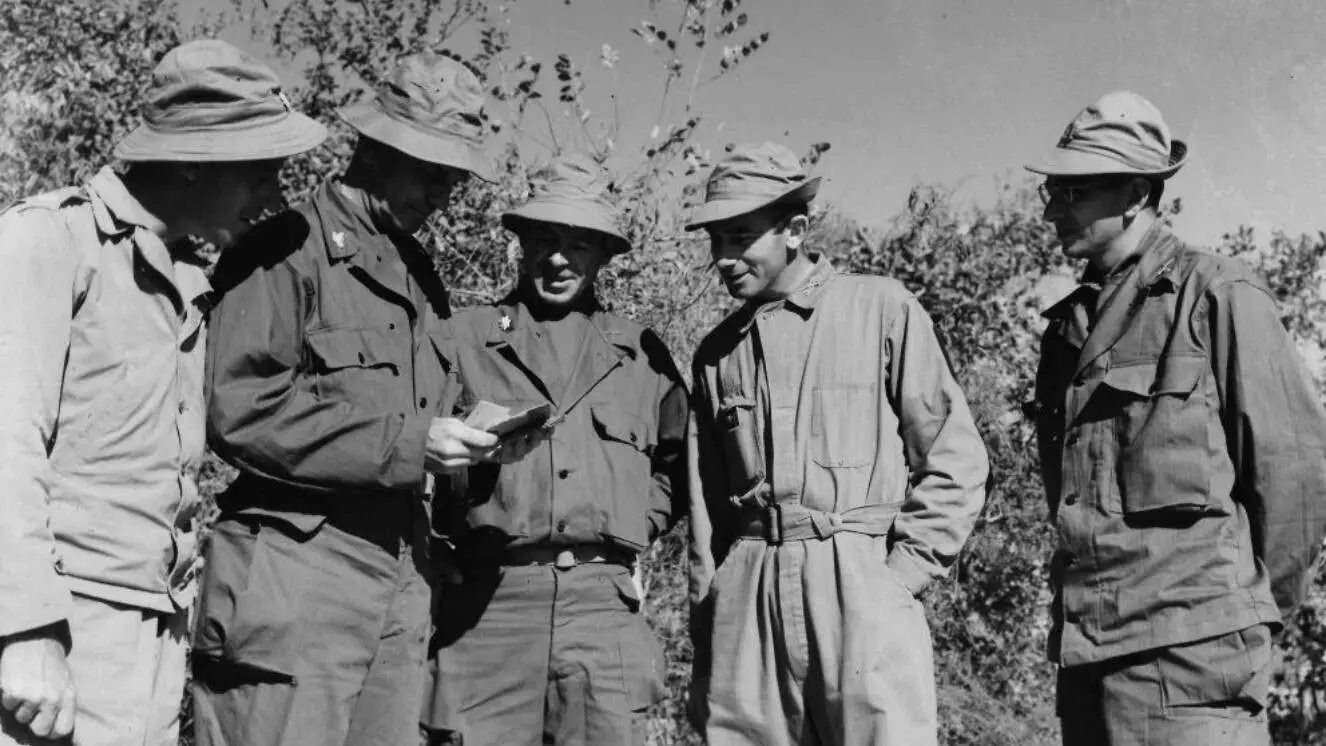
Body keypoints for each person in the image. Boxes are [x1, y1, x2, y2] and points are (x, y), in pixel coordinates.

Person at [0, 39, 326, 746]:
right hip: (60, 627)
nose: (274, 196)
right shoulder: (51, 240)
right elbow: (5, 444)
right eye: (260, 172)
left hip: (155, 628)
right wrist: (24, 630)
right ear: (191, 161)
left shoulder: (187, 280)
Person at [193, 52, 505, 746]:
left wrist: (476, 446)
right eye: (431, 170)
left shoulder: (418, 272)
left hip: (401, 575)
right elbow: (239, 407)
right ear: (375, 149)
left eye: (453, 176)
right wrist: (412, 443)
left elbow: (418, 419)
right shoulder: (286, 248)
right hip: (298, 574)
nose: (443, 192)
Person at [1026, 90, 1326, 746]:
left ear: (1136, 193)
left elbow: (1293, 480)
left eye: (1073, 191)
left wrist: (1247, 619)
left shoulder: (1215, 294)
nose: (1051, 209)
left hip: (1195, 666)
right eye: (1052, 190)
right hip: (1089, 661)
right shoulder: (1066, 332)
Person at [685, 141, 989, 746]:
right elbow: (706, 510)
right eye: (716, 240)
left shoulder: (880, 307)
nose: (723, 257)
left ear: (795, 230)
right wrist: (713, 612)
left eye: (740, 237)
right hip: (749, 593)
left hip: (860, 582)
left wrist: (899, 577)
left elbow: (954, 457)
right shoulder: (716, 353)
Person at [420, 154, 688, 745]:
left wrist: (632, 524)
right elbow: (403, 449)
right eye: (545, 239)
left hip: (601, 609)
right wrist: (429, 547)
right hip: (486, 607)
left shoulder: (642, 356)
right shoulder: (461, 340)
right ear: (521, 243)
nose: (559, 258)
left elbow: (679, 466)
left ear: (605, 255)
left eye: (579, 244)